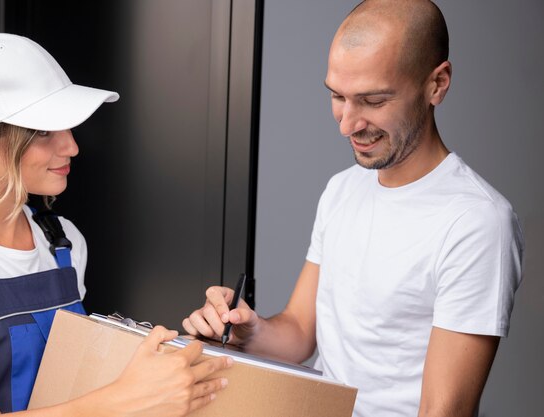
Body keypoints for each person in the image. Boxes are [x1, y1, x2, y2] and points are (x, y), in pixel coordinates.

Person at [182, 1, 524, 416]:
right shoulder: (342, 189)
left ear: (437, 84)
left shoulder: (476, 221)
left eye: (373, 101)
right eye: (337, 96)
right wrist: (245, 331)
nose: (347, 125)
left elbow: (443, 410)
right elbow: (301, 334)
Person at [0, 33, 231, 417]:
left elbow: (75, 385)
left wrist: (190, 349)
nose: (71, 147)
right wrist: (129, 401)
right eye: (45, 132)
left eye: (67, 127)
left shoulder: (62, 241)